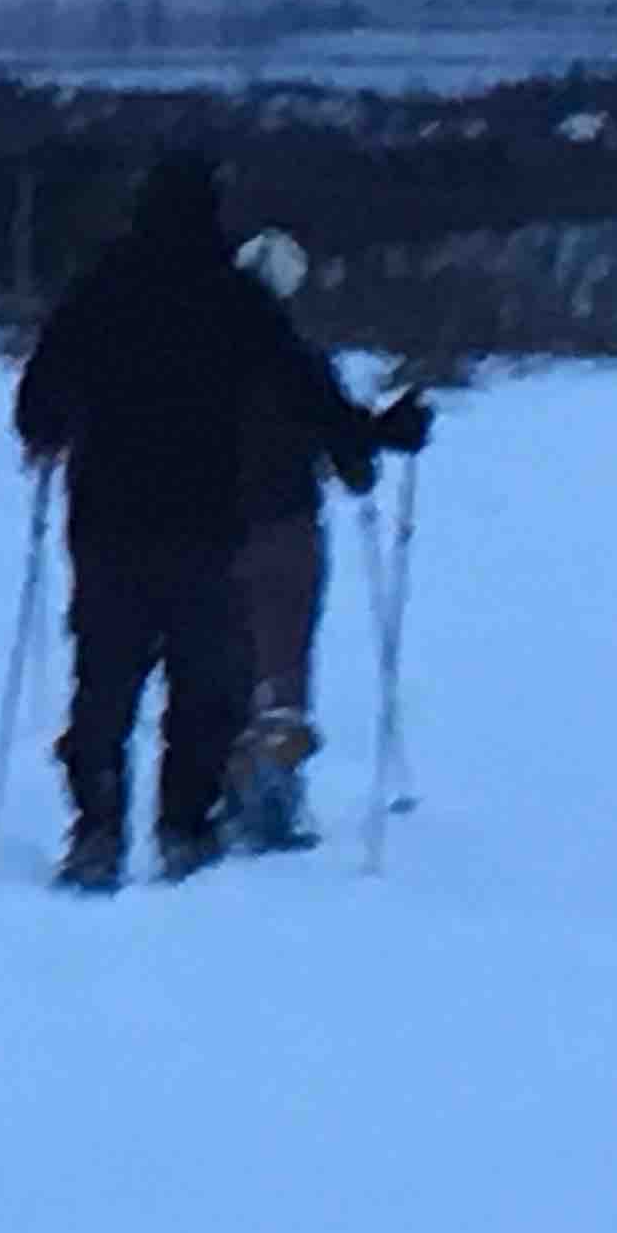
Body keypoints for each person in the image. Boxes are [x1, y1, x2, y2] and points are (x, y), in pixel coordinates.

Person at [12, 155, 396, 891]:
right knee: (206, 685)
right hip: (207, 524)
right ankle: (185, 827)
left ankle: (96, 830)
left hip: (108, 522)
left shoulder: (99, 292)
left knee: (105, 682)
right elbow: (307, 390)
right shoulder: (237, 300)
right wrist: (373, 434)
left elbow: (38, 403)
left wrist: (53, 427)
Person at [227, 227, 434, 852]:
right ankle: (270, 794)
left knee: (215, 657)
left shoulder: (184, 354)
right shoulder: (296, 357)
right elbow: (339, 433)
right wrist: (372, 449)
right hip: (281, 524)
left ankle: (206, 789)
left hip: (196, 531)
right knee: (281, 660)